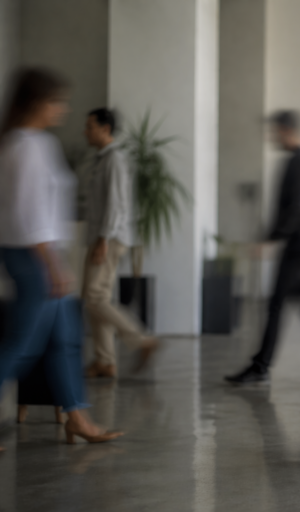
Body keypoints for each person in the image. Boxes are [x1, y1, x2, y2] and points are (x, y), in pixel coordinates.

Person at [0, 67, 123, 450]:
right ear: (37, 103)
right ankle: (78, 418)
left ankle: (78, 418)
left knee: (65, 340)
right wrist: (52, 263)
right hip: (34, 256)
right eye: (57, 101)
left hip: (40, 254)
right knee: (22, 343)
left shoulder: (27, 143)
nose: (63, 109)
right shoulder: (27, 146)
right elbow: (30, 213)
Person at [225, 111, 300, 385]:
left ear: (287, 130)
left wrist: (272, 238)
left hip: (297, 245)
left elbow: (299, 207)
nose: (273, 137)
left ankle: (261, 366)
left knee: (276, 305)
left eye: (275, 132)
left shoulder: (299, 163)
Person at [82, 107, 159, 378]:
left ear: (105, 129)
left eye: (90, 126)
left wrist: (103, 239)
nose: (85, 131)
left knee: (93, 297)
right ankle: (105, 361)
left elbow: (115, 205)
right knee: (97, 297)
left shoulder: (114, 159)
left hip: (108, 238)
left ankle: (141, 339)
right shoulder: (103, 159)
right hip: (103, 236)